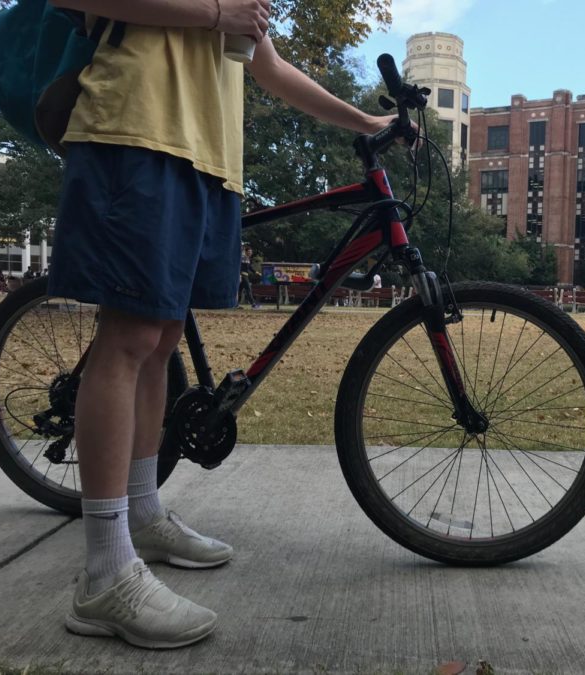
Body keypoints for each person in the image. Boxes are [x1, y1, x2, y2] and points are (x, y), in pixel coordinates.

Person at [44, 0, 402, 649]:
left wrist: (367, 120)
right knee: (126, 340)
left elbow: (267, 66)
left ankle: (143, 514)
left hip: (207, 161)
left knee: (159, 342)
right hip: (133, 130)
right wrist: (215, 14)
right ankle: (103, 571)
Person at [239, 244, 260, 309]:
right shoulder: (243, 257)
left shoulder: (248, 258)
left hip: (245, 275)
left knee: (239, 290)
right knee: (248, 289)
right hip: (243, 275)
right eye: (249, 251)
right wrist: (239, 274)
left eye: (251, 252)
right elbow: (240, 266)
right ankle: (253, 304)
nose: (250, 253)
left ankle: (236, 304)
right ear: (245, 251)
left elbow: (250, 267)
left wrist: (256, 272)